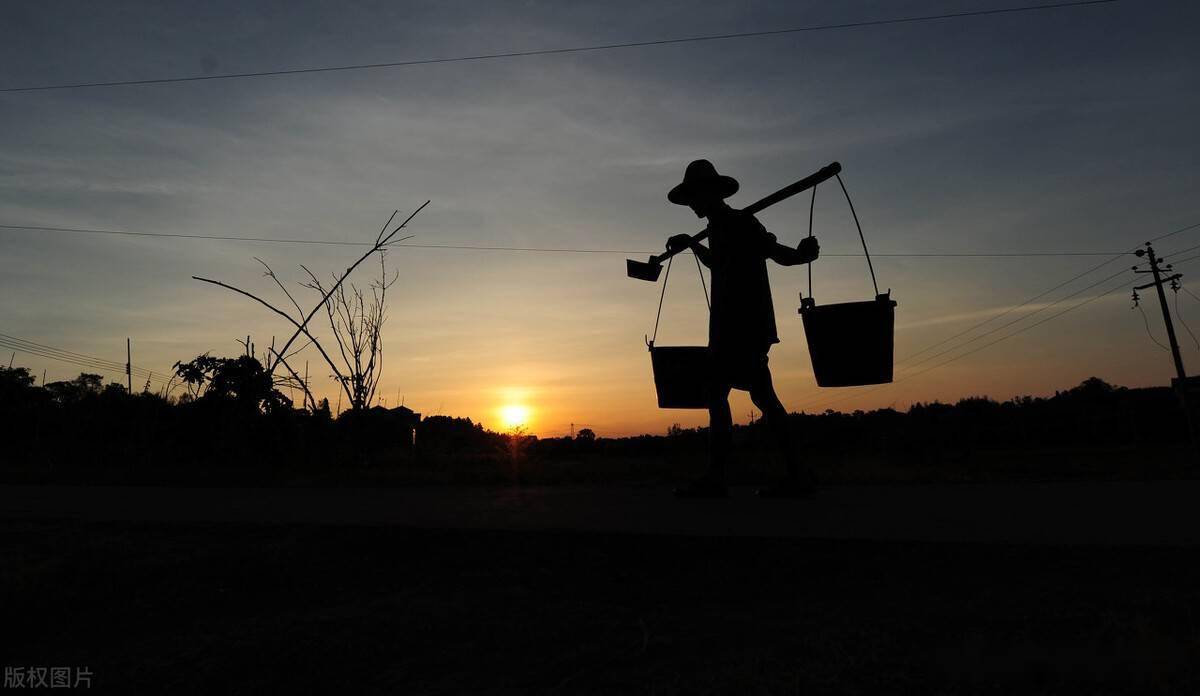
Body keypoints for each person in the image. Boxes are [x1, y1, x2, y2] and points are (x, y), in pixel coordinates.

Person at [665, 159, 820, 498]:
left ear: (709, 193)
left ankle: (721, 477)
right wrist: (693, 245)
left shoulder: (739, 223)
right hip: (732, 325)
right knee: (756, 396)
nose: (691, 203)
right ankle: (794, 474)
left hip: (742, 326)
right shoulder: (722, 227)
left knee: (723, 395)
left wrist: (801, 255)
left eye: (694, 196)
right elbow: (717, 263)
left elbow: (775, 253)